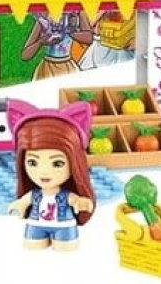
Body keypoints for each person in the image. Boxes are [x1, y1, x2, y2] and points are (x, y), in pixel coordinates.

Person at [6, 100, 96, 251]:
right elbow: (23, 201)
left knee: (65, 250)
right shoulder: (34, 195)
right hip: (36, 225)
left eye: (57, 163)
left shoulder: (65, 195)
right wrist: (19, 205)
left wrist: (81, 202)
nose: (44, 172)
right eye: (33, 162)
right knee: (32, 249)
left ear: (74, 162)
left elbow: (76, 200)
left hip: (64, 226)